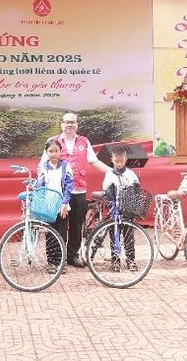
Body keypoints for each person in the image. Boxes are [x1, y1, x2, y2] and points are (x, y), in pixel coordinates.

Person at [40, 112, 110, 268]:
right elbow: (42, 165)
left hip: (78, 190)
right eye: (66, 122)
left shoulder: (84, 142)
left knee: (77, 225)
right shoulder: (53, 142)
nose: (69, 125)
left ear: (77, 124)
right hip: (58, 192)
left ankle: (72, 255)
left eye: (72, 122)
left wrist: (111, 172)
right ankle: (56, 259)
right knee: (57, 225)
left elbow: (94, 161)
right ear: (61, 124)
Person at [36, 138, 74, 274]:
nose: (53, 154)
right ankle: (52, 262)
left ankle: (61, 261)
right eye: (50, 151)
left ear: (60, 152)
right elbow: (40, 188)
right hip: (48, 207)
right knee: (50, 234)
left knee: (62, 234)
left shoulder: (65, 166)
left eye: (56, 151)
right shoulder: (43, 168)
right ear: (46, 152)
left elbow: (69, 186)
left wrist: (65, 203)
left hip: (62, 206)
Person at [102, 146, 140, 272]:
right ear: (112, 159)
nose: (119, 164)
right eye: (116, 161)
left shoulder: (131, 174)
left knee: (129, 235)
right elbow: (107, 192)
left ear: (126, 159)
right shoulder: (109, 174)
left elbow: (136, 190)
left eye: (121, 161)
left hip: (128, 210)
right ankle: (115, 261)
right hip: (114, 210)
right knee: (114, 235)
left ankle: (131, 260)